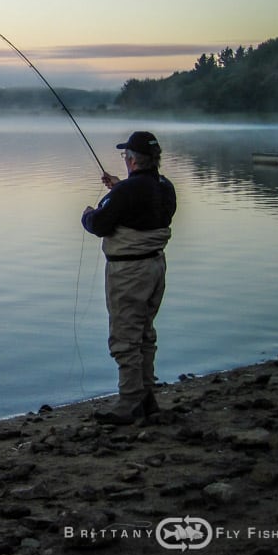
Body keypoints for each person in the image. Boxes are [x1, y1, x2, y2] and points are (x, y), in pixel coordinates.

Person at [82, 131, 176, 425]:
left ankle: (129, 403)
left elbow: (99, 224)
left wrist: (88, 213)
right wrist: (120, 189)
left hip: (129, 274)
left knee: (125, 337)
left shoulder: (126, 192)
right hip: (155, 268)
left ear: (133, 160)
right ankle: (147, 397)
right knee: (145, 334)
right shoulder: (164, 186)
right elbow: (143, 202)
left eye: (126, 156)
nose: (125, 160)